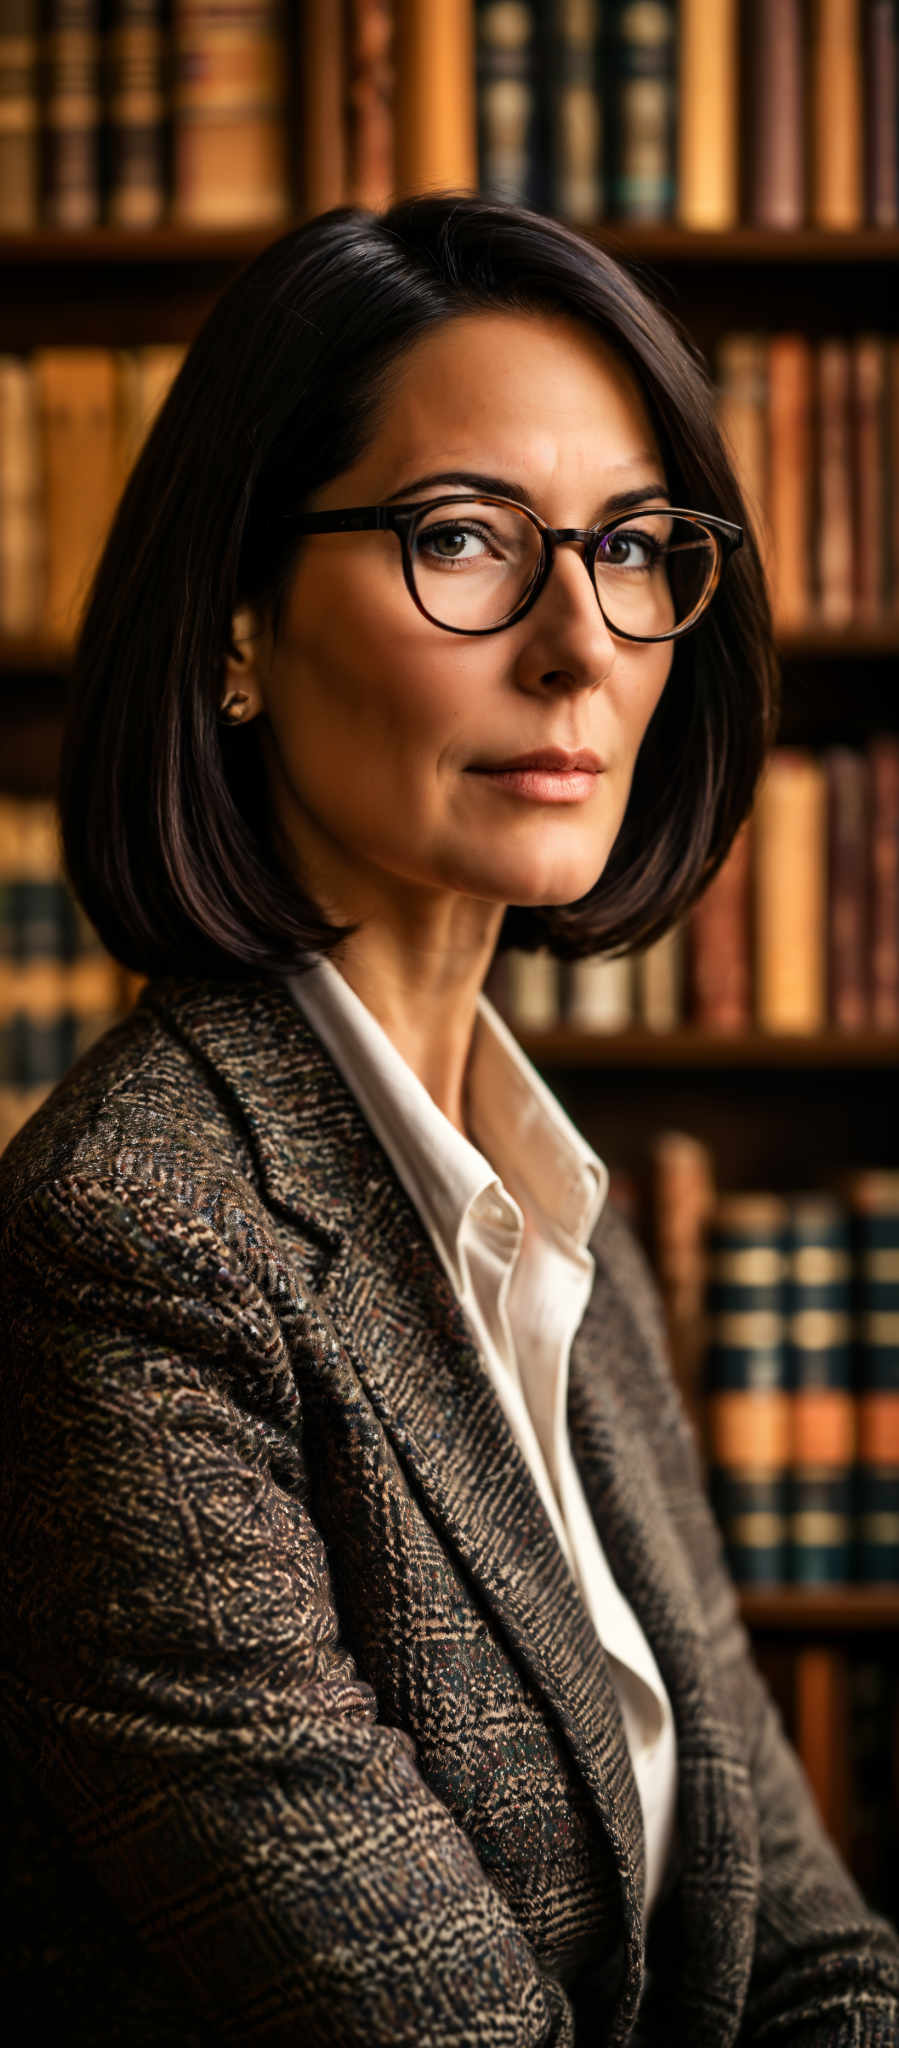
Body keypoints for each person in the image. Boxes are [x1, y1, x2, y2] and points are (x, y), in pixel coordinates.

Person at [0, 192, 896, 2048]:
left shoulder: (554, 1202)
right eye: (464, 539)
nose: (581, 644)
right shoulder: (129, 1241)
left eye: (637, 550)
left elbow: (804, 1924)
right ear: (237, 626)